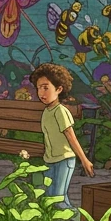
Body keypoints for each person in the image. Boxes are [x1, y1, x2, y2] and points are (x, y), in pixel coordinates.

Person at [29, 62, 94, 210]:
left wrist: (84, 160)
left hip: (64, 160)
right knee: (50, 199)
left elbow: (71, 137)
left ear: (58, 89)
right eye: (39, 88)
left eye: (45, 88)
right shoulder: (46, 112)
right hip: (50, 160)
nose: (41, 93)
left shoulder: (61, 112)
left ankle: (79, 219)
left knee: (59, 200)